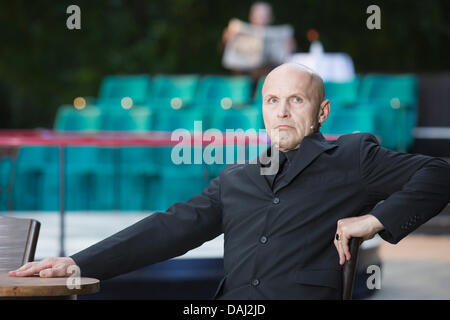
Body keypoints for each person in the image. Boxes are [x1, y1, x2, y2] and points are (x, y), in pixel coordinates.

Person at [9, 63, 450, 300]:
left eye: (296, 100)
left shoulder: (352, 156)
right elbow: (169, 228)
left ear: (322, 112)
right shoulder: (238, 177)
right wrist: (79, 263)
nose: (281, 111)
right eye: (272, 100)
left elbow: (440, 173)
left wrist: (372, 221)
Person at [221, 2, 296, 80]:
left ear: (271, 17)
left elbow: (289, 57)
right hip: (242, 78)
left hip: (269, 77)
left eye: (264, 16)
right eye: (258, 16)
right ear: (251, 16)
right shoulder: (236, 32)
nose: (261, 19)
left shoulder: (282, 35)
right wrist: (226, 40)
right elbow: (226, 56)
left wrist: (291, 47)